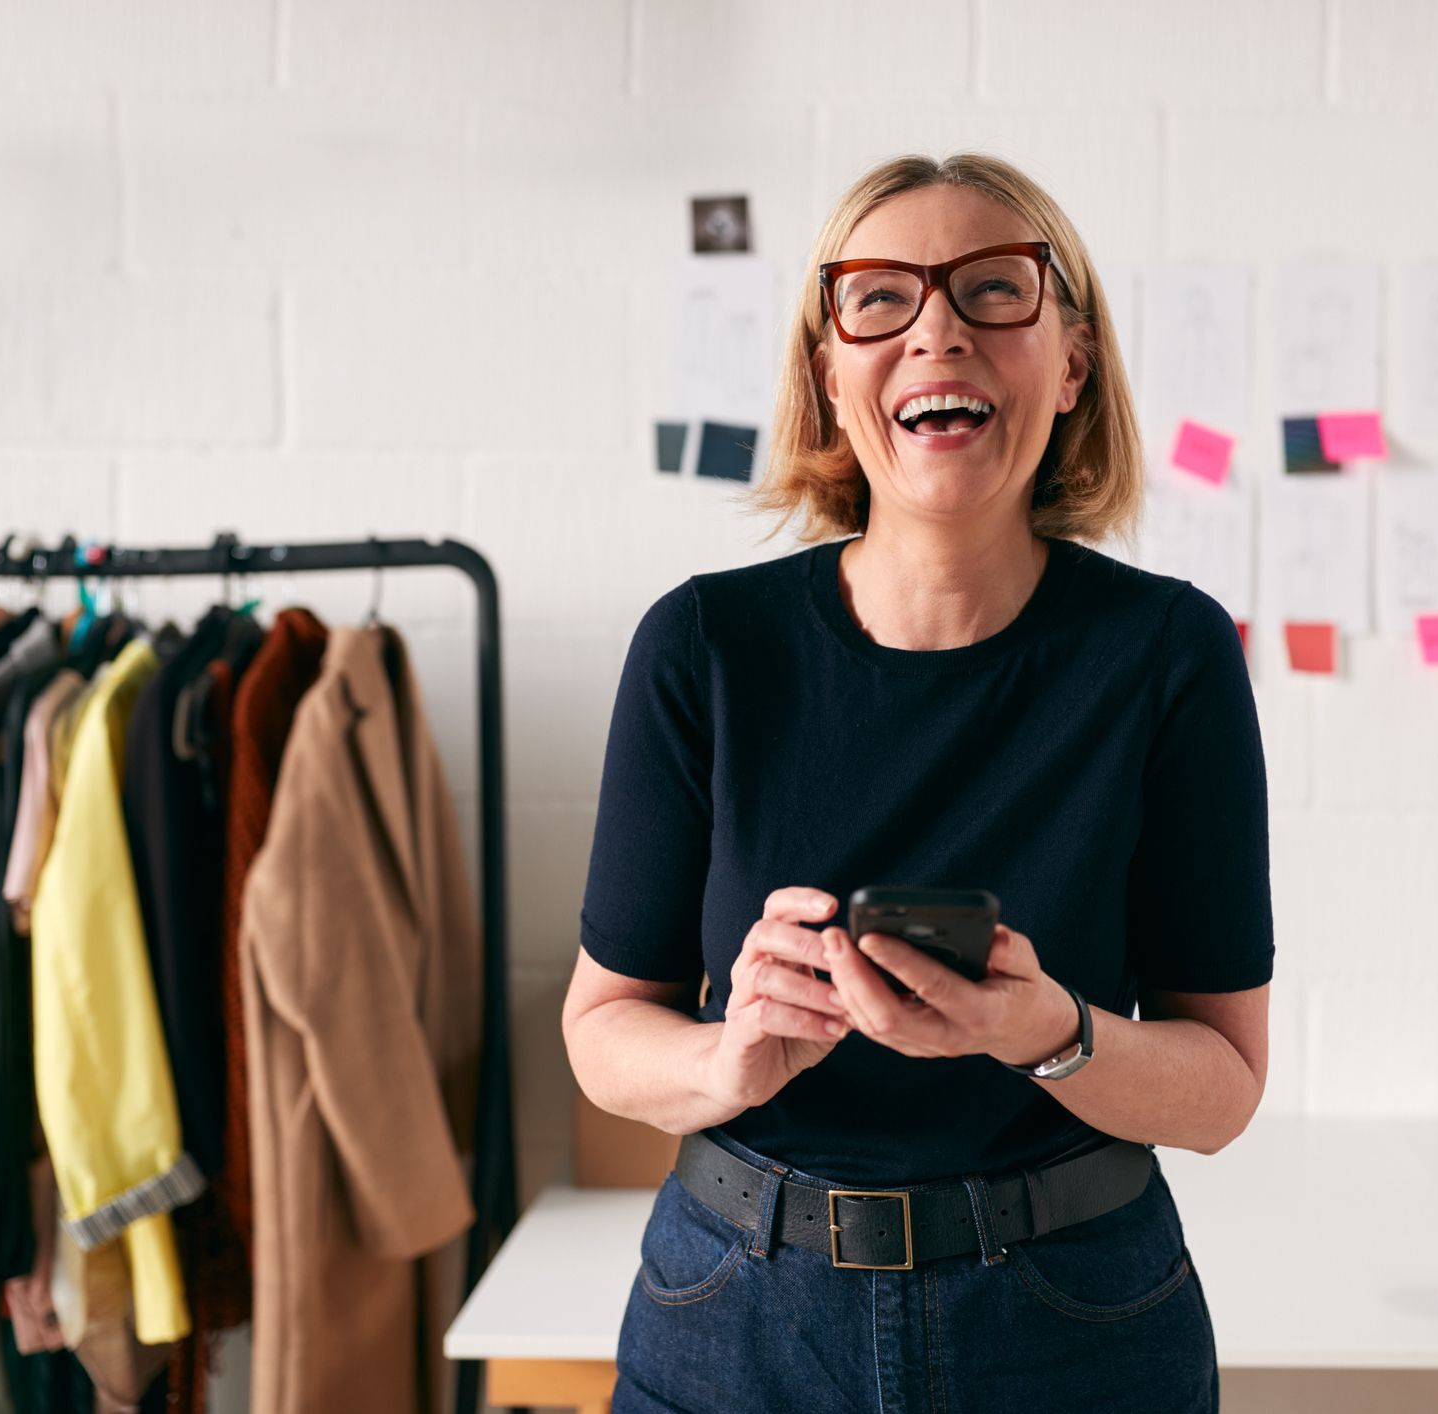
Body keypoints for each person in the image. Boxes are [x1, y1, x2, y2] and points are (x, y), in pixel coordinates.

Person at [563, 150, 1273, 1414]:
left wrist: (1041, 1031)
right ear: (828, 376)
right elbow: (603, 1027)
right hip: (740, 1313)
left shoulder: (1169, 652)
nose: (937, 327)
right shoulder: (703, 647)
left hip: (1074, 1318)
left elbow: (1222, 1088)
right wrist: (733, 1062)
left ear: (1073, 362)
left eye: (995, 290)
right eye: (878, 298)